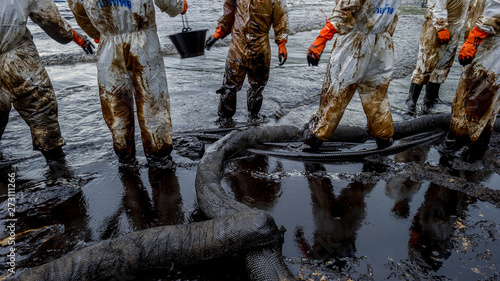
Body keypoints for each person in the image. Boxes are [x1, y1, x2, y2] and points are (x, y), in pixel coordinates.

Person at [65, 0, 188, 168]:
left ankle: (125, 155)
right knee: (152, 99)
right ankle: (158, 155)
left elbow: (78, 10)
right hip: (143, 39)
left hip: (108, 42)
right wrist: (179, 6)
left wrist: (97, 31)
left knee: (116, 103)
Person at [0, 0, 94, 163]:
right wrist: (78, 38)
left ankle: (7, 181)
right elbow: (52, 22)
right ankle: (58, 169)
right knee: (40, 109)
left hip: (13, 53)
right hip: (16, 57)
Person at [303, 0, 400, 152]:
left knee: (337, 91)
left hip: (355, 42)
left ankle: (315, 138)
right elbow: (393, 16)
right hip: (382, 43)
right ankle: (384, 138)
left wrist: (322, 38)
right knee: (377, 94)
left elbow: (346, 9)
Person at [205, 0, 289, 122]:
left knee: (258, 86)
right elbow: (229, 12)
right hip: (237, 45)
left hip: (260, 46)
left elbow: (281, 17)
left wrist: (282, 44)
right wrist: (218, 34)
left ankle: (253, 119)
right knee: (229, 86)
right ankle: (224, 121)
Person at [440, 0, 500, 162]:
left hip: (492, 44)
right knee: (474, 96)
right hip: (486, 42)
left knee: (481, 98)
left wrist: (474, 38)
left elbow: (495, 10)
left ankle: (474, 151)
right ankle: (464, 143)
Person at [406, 0, 470, 115]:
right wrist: (441, 26)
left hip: (455, 27)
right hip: (436, 28)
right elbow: (437, 3)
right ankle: (411, 100)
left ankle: (431, 98)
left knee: (443, 65)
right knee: (425, 64)